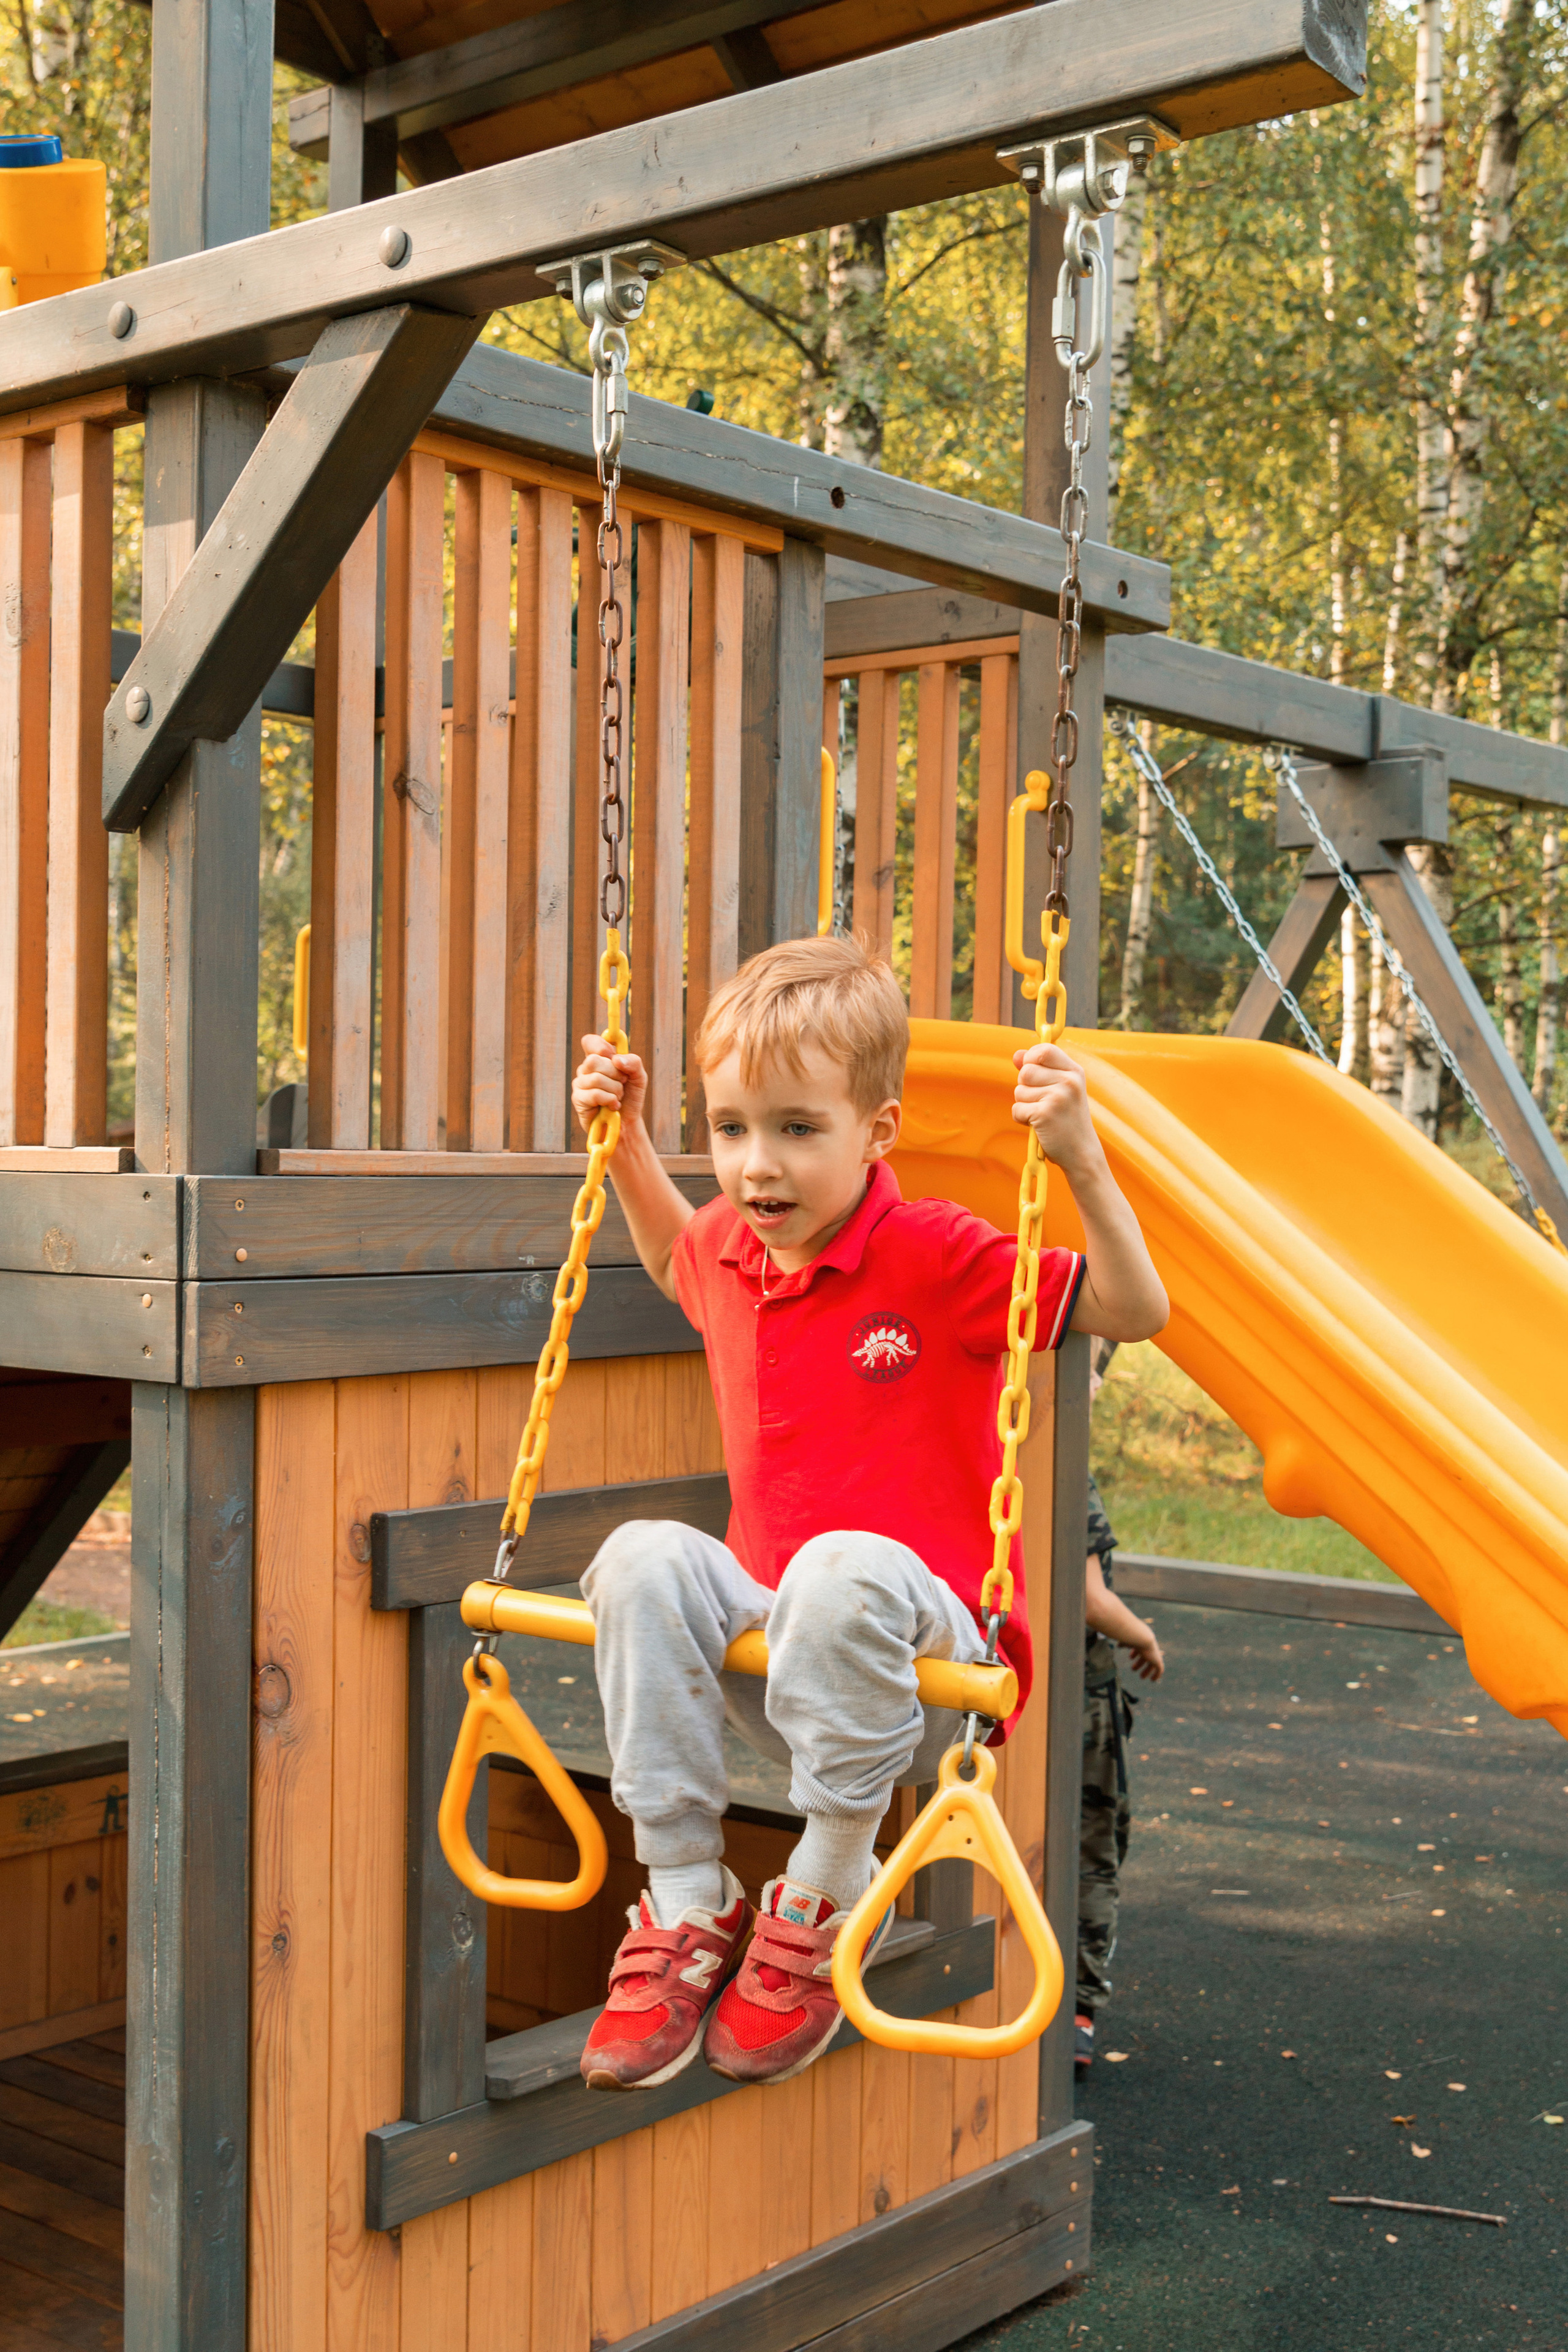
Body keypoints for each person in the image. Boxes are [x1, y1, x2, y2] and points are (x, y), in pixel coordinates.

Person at [567, 935, 1169, 2092]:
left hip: (930, 1670)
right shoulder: (733, 1253)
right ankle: (690, 1895)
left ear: (877, 1132)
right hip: (780, 1664)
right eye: (731, 1128)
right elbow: (666, 1251)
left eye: (799, 1129)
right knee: (640, 1558)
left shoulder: (935, 1255)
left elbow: (1134, 1308)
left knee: (841, 1568)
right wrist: (628, 1136)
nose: (755, 1166)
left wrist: (1081, 1157)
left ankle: (833, 1885)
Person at [1076, 1468, 1164, 2075]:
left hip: (1001, 1679)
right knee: (1094, 1843)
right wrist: (1145, 1637)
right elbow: (1089, 1598)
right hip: (1080, 1695)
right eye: (1092, 1372)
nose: (1098, 1385)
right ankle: (1078, 2009)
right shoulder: (1062, 1464)